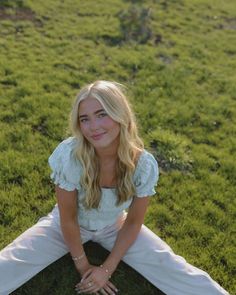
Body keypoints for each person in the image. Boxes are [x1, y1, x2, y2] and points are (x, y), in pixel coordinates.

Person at [0, 80, 230, 295]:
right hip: (63, 226)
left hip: (115, 226)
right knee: (11, 262)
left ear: (121, 115)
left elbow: (133, 222)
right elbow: (68, 217)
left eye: (102, 114)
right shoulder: (70, 155)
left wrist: (106, 269)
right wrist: (83, 265)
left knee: (168, 263)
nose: (93, 127)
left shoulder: (142, 164)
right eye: (85, 119)